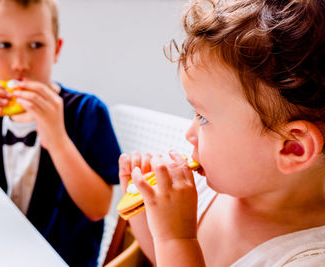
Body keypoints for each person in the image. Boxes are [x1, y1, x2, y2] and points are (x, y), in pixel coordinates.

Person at [119, 0, 325, 266]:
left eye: (204, 118)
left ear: (292, 147)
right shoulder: (208, 187)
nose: (189, 134)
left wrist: (176, 240)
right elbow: (159, 259)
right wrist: (146, 215)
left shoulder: (307, 259)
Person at [0, 0, 121, 266]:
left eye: (36, 45)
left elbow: (98, 208)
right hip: (0, 251)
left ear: (56, 49)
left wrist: (58, 141)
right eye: (4, 45)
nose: (20, 64)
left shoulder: (87, 112)